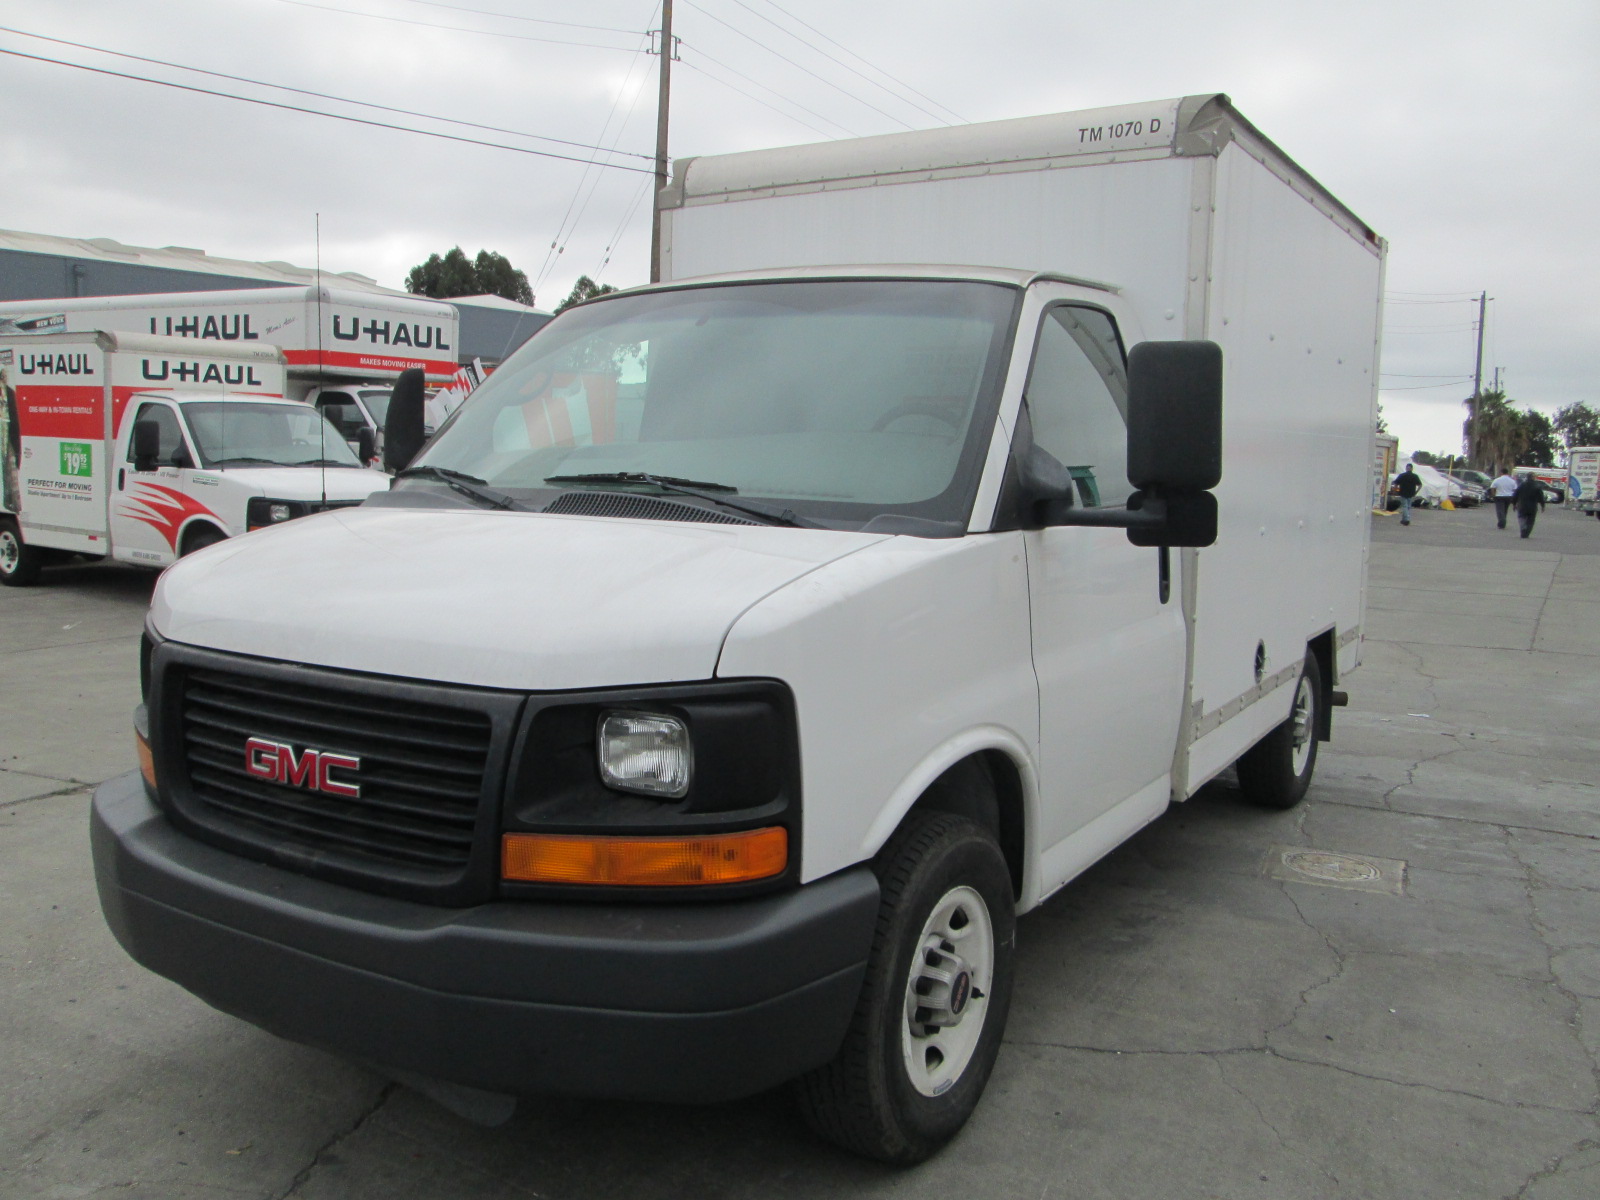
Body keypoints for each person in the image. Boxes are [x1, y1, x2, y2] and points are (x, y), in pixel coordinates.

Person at [1513, 472, 1547, 538]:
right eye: (1534, 476)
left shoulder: (1522, 485)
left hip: (1522, 505)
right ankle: (1527, 532)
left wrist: (1514, 503)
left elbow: (1515, 495)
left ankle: (1523, 527)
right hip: (1533, 506)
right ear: (1532, 477)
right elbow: (1541, 497)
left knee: (1521, 517)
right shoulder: (1537, 486)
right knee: (1531, 520)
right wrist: (1542, 505)